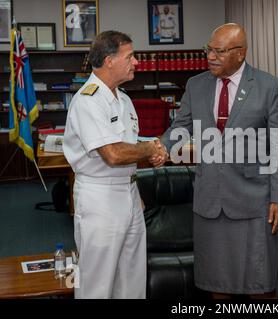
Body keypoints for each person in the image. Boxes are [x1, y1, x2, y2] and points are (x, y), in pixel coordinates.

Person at [152, 23, 278, 298]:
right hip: (210, 199)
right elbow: (181, 127)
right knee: (216, 281)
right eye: (209, 49)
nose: (211, 56)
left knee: (259, 280)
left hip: (253, 199)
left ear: (241, 53)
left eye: (220, 51)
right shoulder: (196, 85)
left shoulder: (268, 86)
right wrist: (160, 148)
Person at [63, 30, 164, 299]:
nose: (137, 62)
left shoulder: (124, 99)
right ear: (109, 60)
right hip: (100, 198)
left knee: (132, 280)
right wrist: (147, 148)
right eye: (130, 56)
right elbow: (113, 154)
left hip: (129, 193)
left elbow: (129, 146)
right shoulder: (88, 100)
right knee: (96, 284)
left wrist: (151, 152)